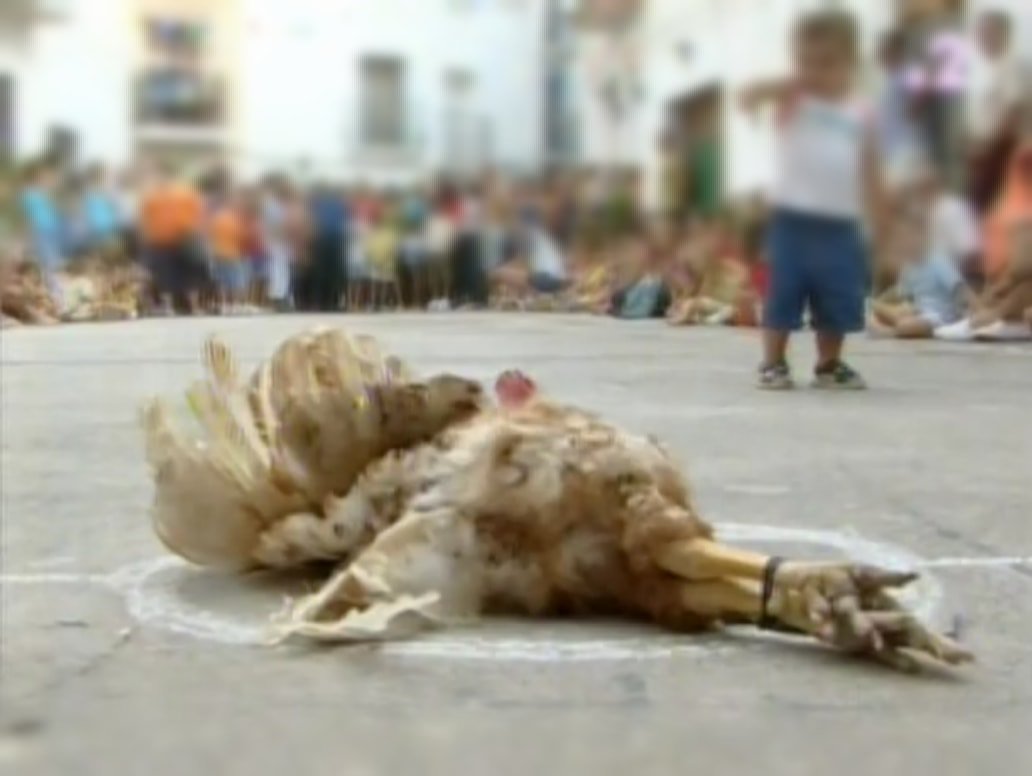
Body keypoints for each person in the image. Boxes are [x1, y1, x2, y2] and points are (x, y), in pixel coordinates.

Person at [741, 9, 887, 390]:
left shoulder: (861, 113)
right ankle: (773, 360)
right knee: (784, 290)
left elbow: (870, 168)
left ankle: (829, 362)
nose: (816, 72)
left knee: (838, 293)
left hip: (841, 222)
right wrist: (789, 83)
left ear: (849, 63)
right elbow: (750, 95)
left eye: (827, 63)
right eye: (806, 62)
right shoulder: (794, 100)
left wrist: (881, 217)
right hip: (793, 219)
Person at [967, 10, 1030, 215]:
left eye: (987, 32)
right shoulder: (996, 69)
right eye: (980, 33)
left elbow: (1013, 115)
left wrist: (986, 151)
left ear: (1003, 33)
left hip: (1004, 153)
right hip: (993, 151)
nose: (982, 38)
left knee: (987, 209)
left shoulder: (1013, 66)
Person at [870, 211, 970, 338]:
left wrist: (973, 310)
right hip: (918, 312)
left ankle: (891, 332)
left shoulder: (936, 259)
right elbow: (899, 292)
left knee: (906, 325)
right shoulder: (908, 265)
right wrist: (878, 304)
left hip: (939, 316)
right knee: (882, 315)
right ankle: (896, 326)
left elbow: (959, 286)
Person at [140, 165, 205, 315]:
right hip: (168, 241)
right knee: (175, 275)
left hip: (175, 241)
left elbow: (197, 215)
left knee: (173, 276)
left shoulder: (177, 195)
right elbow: (145, 221)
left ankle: (178, 306)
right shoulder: (155, 196)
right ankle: (182, 306)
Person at [876, 29, 926, 190]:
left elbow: (917, 106)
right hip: (890, 150)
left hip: (905, 151)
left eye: (884, 49)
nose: (880, 54)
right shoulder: (891, 79)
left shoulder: (908, 76)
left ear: (897, 51)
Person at [19, 161, 65, 302]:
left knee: (52, 263)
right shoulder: (28, 195)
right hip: (40, 233)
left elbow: (52, 214)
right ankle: (55, 295)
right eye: (44, 177)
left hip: (51, 232)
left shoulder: (44, 195)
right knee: (47, 263)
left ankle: (55, 293)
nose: (47, 180)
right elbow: (26, 216)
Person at [208, 192, 247, 315]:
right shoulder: (236, 219)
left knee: (221, 281)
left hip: (217, 253)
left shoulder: (215, 218)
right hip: (233, 254)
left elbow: (209, 236)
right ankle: (234, 305)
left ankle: (224, 305)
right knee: (235, 281)